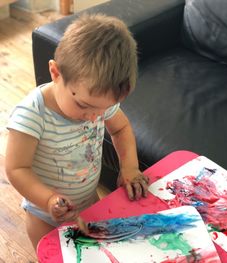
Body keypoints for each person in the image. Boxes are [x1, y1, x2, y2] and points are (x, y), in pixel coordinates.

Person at [5, 13, 149, 250]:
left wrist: (130, 167)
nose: (94, 117)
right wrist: (48, 199)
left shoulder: (97, 103)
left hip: (90, 201)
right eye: (84, 105)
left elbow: (121, 128)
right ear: (56, 73)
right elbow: (16, 169)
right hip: (44, 215)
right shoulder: (31, 115)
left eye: (103, 109)